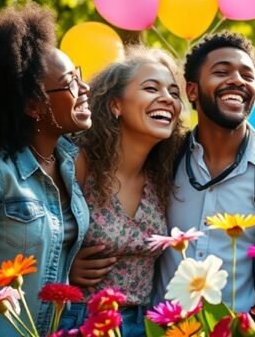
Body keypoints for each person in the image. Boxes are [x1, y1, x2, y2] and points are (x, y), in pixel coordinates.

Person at [0, 4, 92, 336]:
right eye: (70, 84)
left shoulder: (68, 164)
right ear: (33, 106)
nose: (85, 89)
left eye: (80, 77)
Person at [156, 31, 255, 312]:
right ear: (192, 90)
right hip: (161, 328)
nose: (237, 80)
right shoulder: (163, 158)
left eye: (248, 77)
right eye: (221, 71)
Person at [58, 48, 185, 336]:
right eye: (151, 88)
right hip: (80, 320)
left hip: (144, 324)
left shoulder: (162, 176)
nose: (167, 98)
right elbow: (34, 236)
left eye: (174, 93)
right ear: (116, 104)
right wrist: (65, 269)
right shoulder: (78, 163)